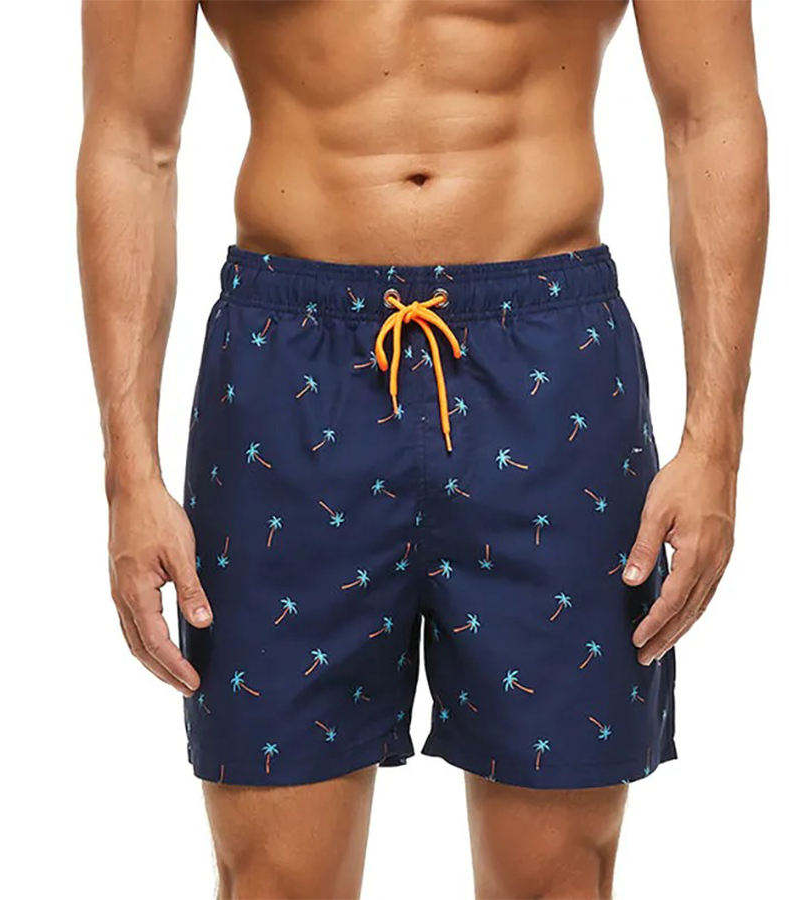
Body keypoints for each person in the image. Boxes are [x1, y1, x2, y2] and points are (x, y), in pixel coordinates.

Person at [77, 2, 767, 896]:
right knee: (275, 879)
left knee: (557, 877)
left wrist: (716, 445)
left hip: (548, 366)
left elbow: (710, 116)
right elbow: (132, 143)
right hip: (287, 373)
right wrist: (128, 475)